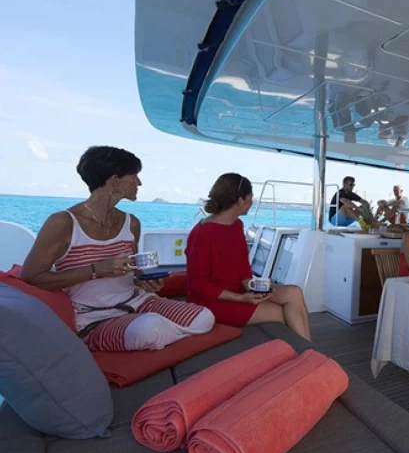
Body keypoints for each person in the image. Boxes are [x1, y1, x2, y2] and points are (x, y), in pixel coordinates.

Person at [20, 146, 214, 352]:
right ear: (115, 181)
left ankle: (153, 332)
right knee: (149, 328)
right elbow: (32, 277)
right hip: (94, 317)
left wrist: (143, 279)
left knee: (204, 317)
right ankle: (144, 332)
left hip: (138, 301)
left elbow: (133, 269)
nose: (139, 183)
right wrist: (96, 270)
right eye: (134, 176)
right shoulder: (63, 223)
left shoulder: (131, 223)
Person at [185, 173, 311, 341]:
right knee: (284, 313)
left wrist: (255, 288)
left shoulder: (237, 225)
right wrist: (240, 298)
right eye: (251, 197)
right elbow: (198, 284)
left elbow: (243, 269)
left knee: (294, 293)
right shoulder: (202, 233)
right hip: (211, 302)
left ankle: (310, 351)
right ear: (240, 201)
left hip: (240, 292)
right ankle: (308, 352)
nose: (252, 202)